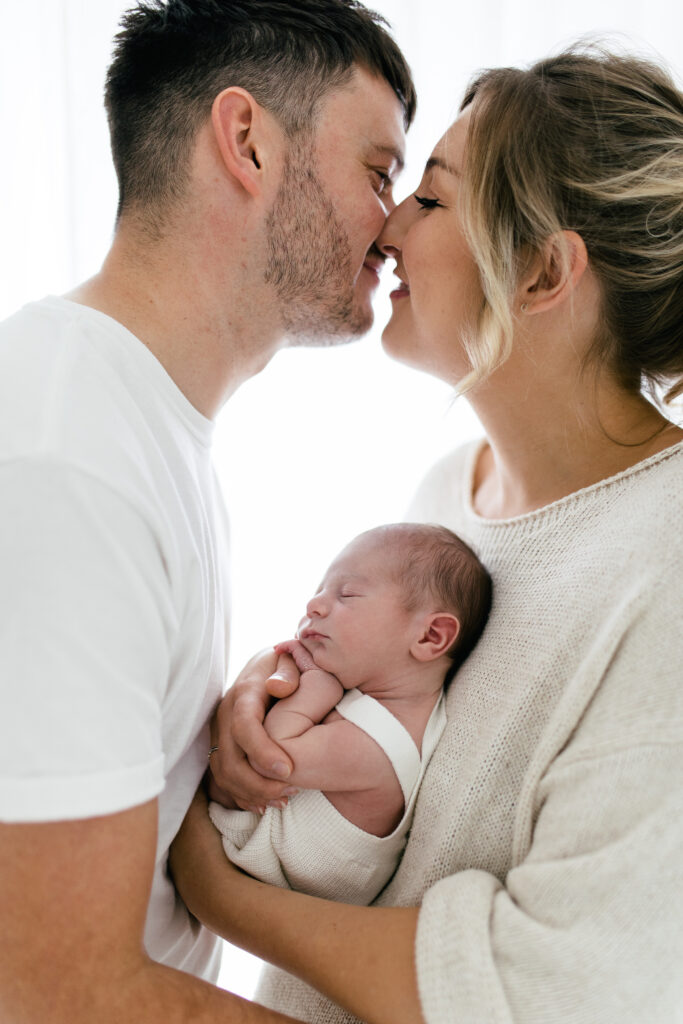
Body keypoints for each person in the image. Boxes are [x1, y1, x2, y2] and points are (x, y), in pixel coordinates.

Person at [170, 44, 683, 1024]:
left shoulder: (663, 568)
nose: (387, 222)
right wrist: (268, 700)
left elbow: (552, 988)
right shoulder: (448, 495)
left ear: (540, 271)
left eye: (432, 201)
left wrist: (216, 888)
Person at [0, 2, 416, 1022]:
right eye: (378, 173)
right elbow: (55, 992)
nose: (397, 225)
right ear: (246, 142)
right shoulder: (68, 455)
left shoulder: (133, 428)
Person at [208, 523, 492, 905]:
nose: (314, 605)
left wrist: (316, 687)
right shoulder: (374, 700)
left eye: (347, 594)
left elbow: (267, 754)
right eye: (318, 591)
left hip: (258, 872)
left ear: (430, 637)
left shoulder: (380, 742)